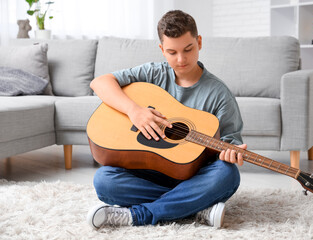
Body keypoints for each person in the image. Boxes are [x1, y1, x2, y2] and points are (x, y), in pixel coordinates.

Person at [87, 10, 247, 229]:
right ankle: (196, 208)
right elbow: (100, 82)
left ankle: (140, 215)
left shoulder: (219, 94)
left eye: (188, 49)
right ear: (162, 50)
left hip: (193, 176)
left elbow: (229, 144)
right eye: (172, 52)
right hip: (148, 172)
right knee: (104, 181)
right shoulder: (153, 74)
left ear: (199, 42)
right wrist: (134, 110)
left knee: (227, 175)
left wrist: (230, 153)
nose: (181, 59)